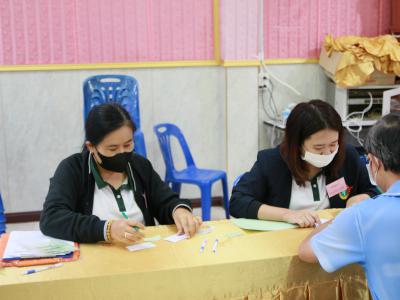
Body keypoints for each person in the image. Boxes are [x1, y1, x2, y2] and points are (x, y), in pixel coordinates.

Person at [40, 103, 201, 244]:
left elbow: (165, 200)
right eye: (112, 149)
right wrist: (107, 229)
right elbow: (52, 219)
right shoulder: (72, 169)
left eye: (128, 144)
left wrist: (179, 210)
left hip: (144, 257)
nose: (122, 153)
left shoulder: (140, 166)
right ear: (91, 147)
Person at [298, 113, 400, 300]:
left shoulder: (364, 217)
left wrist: (343, 217)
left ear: (375, 162)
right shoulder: (270, 161)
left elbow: (306, 252)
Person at [229, 99, 377, 227]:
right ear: (297, 144)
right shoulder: (272, 162)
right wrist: (286, 215)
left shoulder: (348, 157)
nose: (327, 153)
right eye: (318, 147)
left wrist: (361, 198)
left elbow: (371, 192)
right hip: (282, 240)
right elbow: (237, 202)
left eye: (333, 144)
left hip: (332, 238)